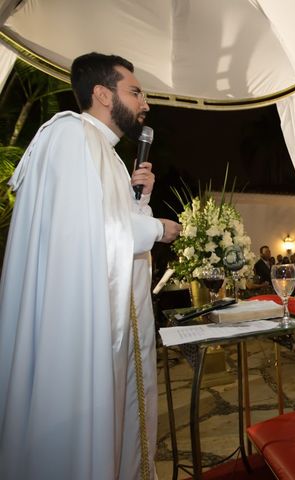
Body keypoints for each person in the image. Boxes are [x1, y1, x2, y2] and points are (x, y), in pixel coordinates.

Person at [0, 52, 181, 480]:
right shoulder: (70, 137)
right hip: (74, 326)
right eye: (135, 92)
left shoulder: (106, 153)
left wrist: (138, 201)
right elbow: (83, 237)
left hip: (106, 323)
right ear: (102, 94)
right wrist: (156, 229)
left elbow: (108, 227)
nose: (145, 103)